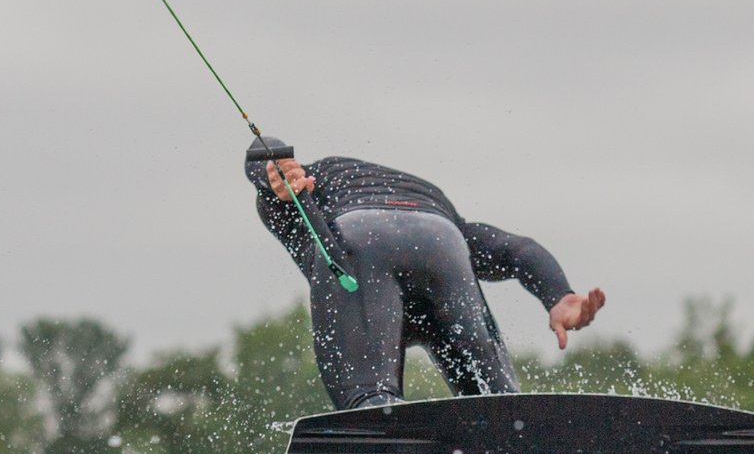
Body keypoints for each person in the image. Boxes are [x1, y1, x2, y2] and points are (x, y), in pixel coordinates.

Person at [245, 138, 605, 410]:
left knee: (370, 406)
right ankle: (512, 434)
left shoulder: (302, 189)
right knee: (495, 405)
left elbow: (263, 153)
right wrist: (558, 295)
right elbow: (517, 250)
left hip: (360, 237)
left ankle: (376, 408)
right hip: (441, 241)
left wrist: (270, 171)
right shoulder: (438, 212)